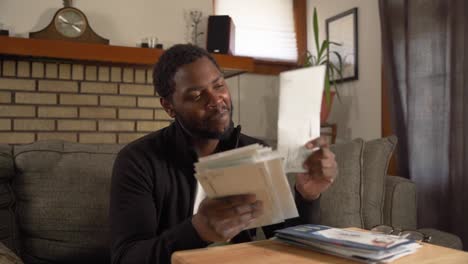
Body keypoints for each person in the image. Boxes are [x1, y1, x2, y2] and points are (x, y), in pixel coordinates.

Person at [109, 44, 337, 264]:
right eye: (197, 95)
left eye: (218, 85)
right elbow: (127, 257)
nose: (216, 100)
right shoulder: (138, 161)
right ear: (169, 107)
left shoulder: (254, 152)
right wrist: (197, 230)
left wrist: (307, 196)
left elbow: (290, 244)